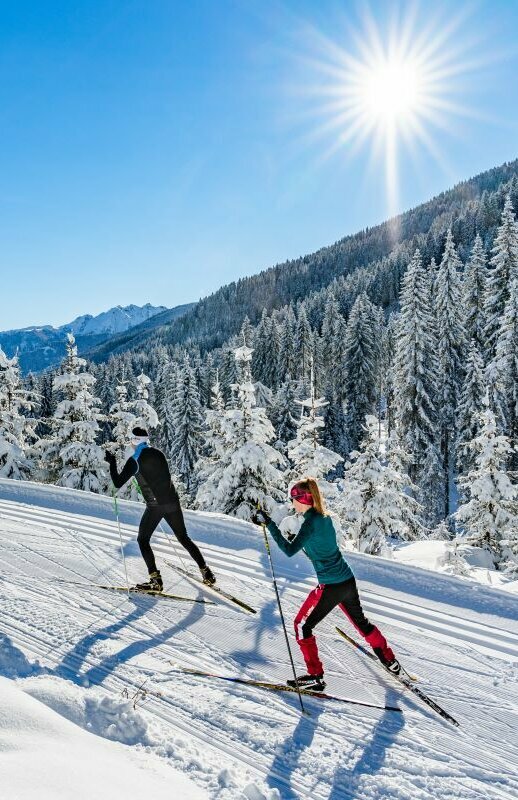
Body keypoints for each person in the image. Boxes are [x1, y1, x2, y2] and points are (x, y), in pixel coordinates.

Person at [253, 477, 400, 691]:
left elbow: (288, 550)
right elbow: (320, 545)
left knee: (303, 626)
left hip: (330, 586)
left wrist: (270, 524)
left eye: (293, 499)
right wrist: (301, 538)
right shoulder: (324, 518)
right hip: (346, 581)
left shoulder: (310, 523)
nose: (291, 503)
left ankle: (315, 676)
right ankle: (389, 660)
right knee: (362, 624)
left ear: (302, 500)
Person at [104, 426, 215, 591]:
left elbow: (118, 483)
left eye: (131, 439)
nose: (130, 442)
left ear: (135, 440)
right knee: (183, 537)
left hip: (156, 506)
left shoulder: (135, 459)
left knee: (143, 540)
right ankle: (206, 572)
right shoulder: (158, 453)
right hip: (173, 502)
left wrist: (112, 463)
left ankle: (155, 580)